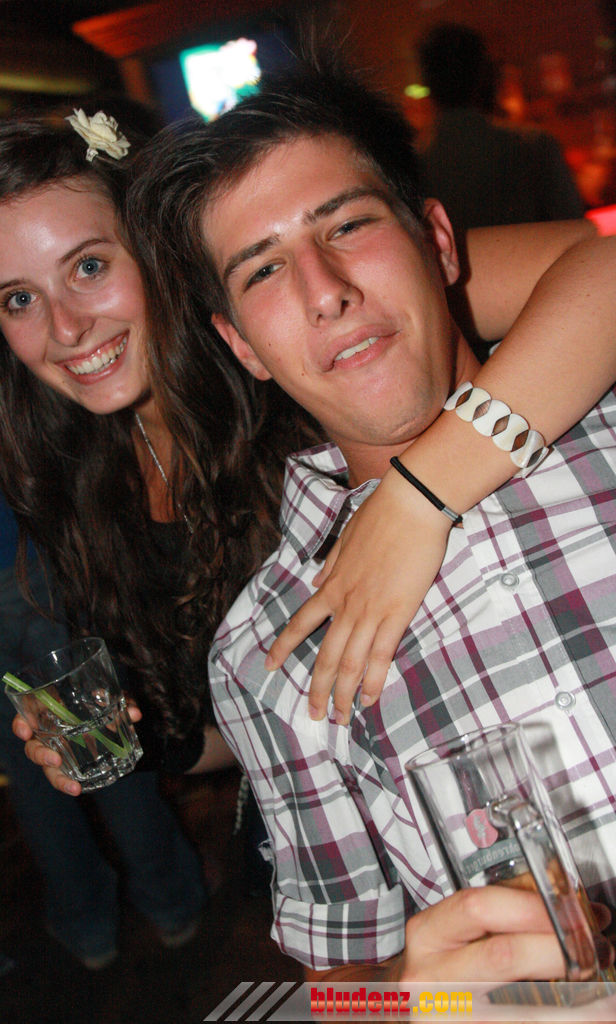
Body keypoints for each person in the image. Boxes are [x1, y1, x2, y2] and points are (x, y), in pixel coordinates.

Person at [125, 60, 616, 984]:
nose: (324, 289)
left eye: (347, 225)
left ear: (438, 241)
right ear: (240, 346)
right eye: (263, 269)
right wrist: (427, 1004)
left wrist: (420, 498)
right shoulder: (268, 654)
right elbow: (343, 995)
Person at [0, 192, 208, 971]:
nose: (59, 322)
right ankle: (174, 903)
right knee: (92, 736)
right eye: (22, 301)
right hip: (33, 551)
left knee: (42, 759)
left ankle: (87, 927)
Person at [417, 23, 584, 236]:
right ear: (483, 74)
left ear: (429, 81)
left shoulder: (416, 164)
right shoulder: (534, 146)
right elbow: (574, 227)